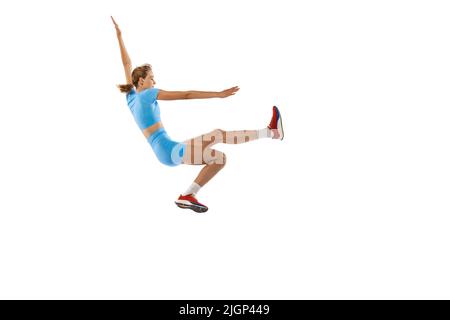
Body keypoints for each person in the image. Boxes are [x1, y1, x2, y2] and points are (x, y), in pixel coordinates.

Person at [111, 16, 284, 213]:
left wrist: (119, 36)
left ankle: (271, 132)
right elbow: (186, 95)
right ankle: (188, 195)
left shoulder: (131, 97)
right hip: (169, 150)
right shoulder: (147, 94)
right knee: (219, 159)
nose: (155, 81)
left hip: (167, 149)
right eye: (151, 78)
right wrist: (218, 94)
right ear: (141, 81)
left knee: (217, 134)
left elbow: (127, 65)